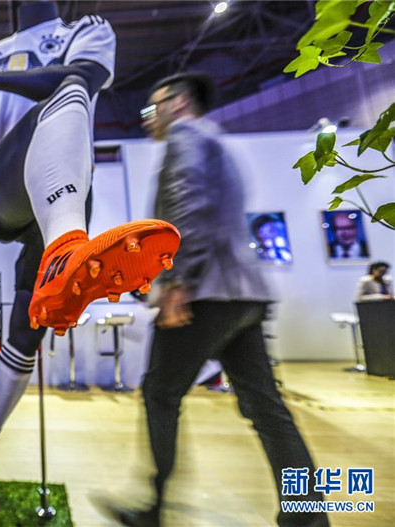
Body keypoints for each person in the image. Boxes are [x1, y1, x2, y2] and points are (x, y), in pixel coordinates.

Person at [0, 1, 180, 520]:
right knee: (65, 85)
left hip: (63, 196)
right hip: (3, 190)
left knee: (23, 339)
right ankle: (67, 250)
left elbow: (87, 76)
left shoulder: (87, 29)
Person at [107, 73, 329, 527]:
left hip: (205, 293)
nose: (147, 119)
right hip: (244, 296)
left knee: (160, 393)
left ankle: (154, 508)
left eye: (152, 108)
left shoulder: (186, 136)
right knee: (266, 408)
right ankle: (307, 517)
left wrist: (177, 282)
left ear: (178, 103)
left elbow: (188, 206)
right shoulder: (218, 142)